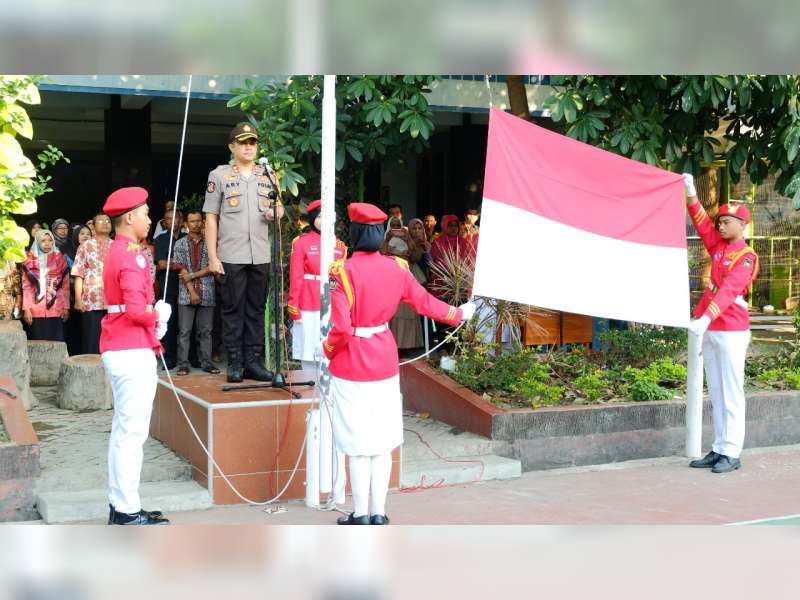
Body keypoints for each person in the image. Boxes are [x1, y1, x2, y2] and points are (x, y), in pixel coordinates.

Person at [323, 202, 475, 525]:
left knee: (357, 443)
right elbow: (426, 303)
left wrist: (328, 350)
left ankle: (360, 513)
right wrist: (459, 313)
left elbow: (341, 329)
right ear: (381, 235)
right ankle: (379, 513)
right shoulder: (398, 268)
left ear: (353, 233)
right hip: (384, 359)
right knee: (381, 442)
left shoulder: (341, 272)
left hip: (351, 363)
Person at [100, 186, 170, 525]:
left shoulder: (119, 250)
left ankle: (122, 505)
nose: (149, 219)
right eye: (144, 213)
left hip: (122, 346)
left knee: (124, 431)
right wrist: (158, 315)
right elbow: (137, 310)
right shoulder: (133, 255)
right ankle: (127, 510)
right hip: (131, 348)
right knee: (132, 434)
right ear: (129, 218)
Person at [684, 173, 759, 475]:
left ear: (742, 225)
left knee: (731, 392)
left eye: (727, 222)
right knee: (716, 391)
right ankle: (718, 448)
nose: (721, 225)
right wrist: (691, 193)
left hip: (730, 328)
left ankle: (732, 451)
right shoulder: (719, 247)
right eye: (721, 221)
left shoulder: (746, 256)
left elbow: (729, 290)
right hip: (712, 326)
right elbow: (701, 222)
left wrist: (704, 317)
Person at [204, 122, 284, 383]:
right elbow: (211, 217)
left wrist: (275, 213)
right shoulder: (219, 175)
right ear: (232, 147)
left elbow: (280, 207)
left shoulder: (268, 174)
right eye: (243, 142)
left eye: (252, 142)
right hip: (231, 254)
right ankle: (236, 362)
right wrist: (213, 257)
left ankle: (254, 361)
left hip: (260, 254)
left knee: (256, 309)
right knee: (233, 309)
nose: (249, 147)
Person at [287, 199, 347, 372]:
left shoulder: (340, 246)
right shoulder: (301, 242)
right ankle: (309, 383)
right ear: (313, 218)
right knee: (309, 350)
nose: (323, 220)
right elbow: (296, 275)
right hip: (308, 302)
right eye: (319, 216)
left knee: (331, 350)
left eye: (327, 216)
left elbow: (340, 279)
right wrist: (293, 303)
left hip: (332, 303)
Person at [173, 210, 219, 376]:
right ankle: (183, 364)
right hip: (186, 293)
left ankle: (206, 363)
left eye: (199, 221)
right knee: (184, 331)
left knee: (206, 331)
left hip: (207, 291)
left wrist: (193, 275)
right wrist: (192, 292)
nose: (196, 224)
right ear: (186, 224)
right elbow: (182, 270)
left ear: (203, 222)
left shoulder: (211, 243)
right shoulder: (179, 244)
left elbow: (212, 267)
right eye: (192, 221)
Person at [381, 216, 424, 351]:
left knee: (408, 309)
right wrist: (387, 240)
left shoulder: (407, 238)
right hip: (390, 279)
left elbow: (416, 257)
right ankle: (394, 345)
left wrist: (407, 239)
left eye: (397, 225)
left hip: (407, 277)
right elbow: (382, 254)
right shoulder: (385, 240)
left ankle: (407, 345)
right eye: (393, 225)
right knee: (395, 310)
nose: (395, 228)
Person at [72, 213, 113, 354]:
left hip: (113, 300)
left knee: (111, 339)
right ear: (93, 227)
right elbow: (79, 273)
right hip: (91, 300)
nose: (105, 223)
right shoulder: (85, 246)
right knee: (91, 339)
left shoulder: (116, 246)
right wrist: (78, 300)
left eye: (108, 221)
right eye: (101, 221)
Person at [20, 230, 70, 341]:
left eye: (50, 240)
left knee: (57, 343)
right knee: (38, 342)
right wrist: (26, 309)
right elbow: (26, 287)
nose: (47, 243)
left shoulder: (59, 259)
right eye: (43, 241)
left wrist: (66, 307)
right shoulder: (30, 261)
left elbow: (65, 286)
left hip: (56, 308)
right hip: (35, 309)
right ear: (37, 242)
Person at [154, 209, 184, 369]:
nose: (171, 221)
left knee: (187, 324)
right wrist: (181, 263)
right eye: (167, 219)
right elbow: (161, 264)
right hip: (169, 286)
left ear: (180, 219)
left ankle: (190, 357)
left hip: (187, 285)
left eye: (174, 218)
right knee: (170, 323)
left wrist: (172, 262)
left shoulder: (187, 237)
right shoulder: (160, 239)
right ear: (164, 222)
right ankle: (170, 357)